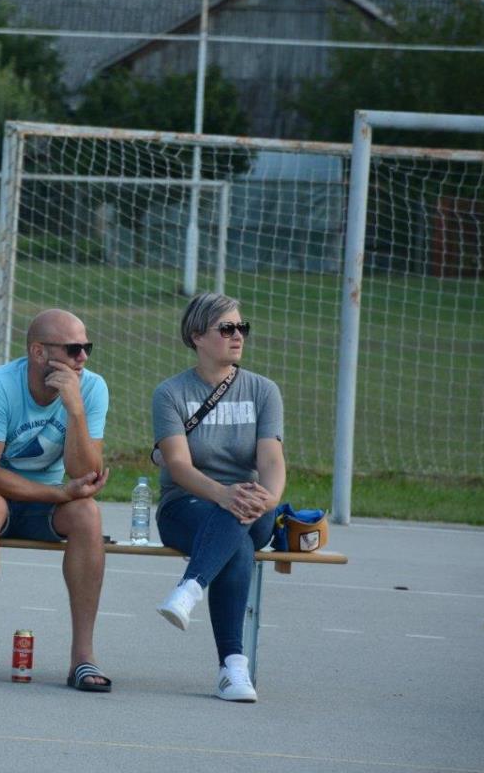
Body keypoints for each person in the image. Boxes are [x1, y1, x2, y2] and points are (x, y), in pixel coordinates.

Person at [0, 309, 112, 692]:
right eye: (73, 349)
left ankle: (83, 657)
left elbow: (86, 474)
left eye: (87, 347)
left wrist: (75, 409)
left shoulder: (92, 387)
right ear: (38, 352)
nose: (83, 357)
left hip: (39, 499)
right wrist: (58, 493)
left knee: (86, 513)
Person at [151, 292, 285, 703]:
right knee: (237, 545)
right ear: (197, 336)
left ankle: (191, 586)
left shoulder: (263, 390)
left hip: (252, 507)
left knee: (240, 520)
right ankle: (233, 669)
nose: (238, 335)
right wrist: (222, 494)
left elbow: (272, 460)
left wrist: (268, 500)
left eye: (242, 327)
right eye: (227, 328)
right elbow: (178, 465)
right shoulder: (170, 393)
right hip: (186, 505)